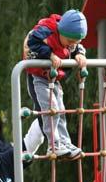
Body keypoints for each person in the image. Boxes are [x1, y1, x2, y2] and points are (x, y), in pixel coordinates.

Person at [23, 9, 88, 158]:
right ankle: (53, 145)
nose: (71, 45)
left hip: (53, 79)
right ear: (61, 31)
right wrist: (49, 54)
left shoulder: (71, 40)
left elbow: (77, 47)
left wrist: (79, 54)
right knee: (51, 109)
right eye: (70, 42)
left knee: (60, 110)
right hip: (38, 77)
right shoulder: (47, 30)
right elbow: (31, 41)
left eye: (75, 42)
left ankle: (64, 142)